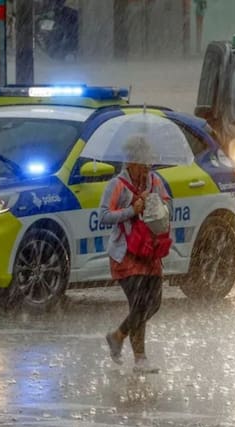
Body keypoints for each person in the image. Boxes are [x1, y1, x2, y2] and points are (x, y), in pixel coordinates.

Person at [100, 135, 171, 374]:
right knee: (139, 303)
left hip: (150, 251)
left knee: (154, 303)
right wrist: (131, 210)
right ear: (130, 162)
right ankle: (140, 359)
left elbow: (166, 207)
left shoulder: (154, 181)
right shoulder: (117, 185)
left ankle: (118, 335)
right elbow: (104, 215)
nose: (146, 168)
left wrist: (151, 203)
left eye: (148, 163)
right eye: (142, 163)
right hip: (126, 254)